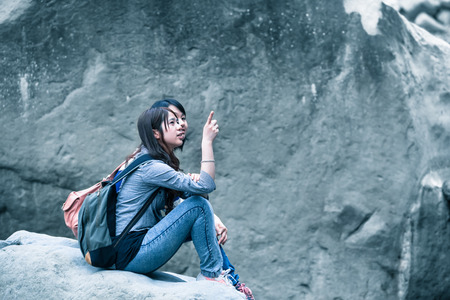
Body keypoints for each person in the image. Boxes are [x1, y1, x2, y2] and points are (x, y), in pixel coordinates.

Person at [112, 101, 255, 300]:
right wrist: (206, 142)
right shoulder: (151, 167)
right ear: (155, 133)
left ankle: (228, 276)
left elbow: (194, 194)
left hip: (135, 248)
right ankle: (212, 275)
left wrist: (213, 218)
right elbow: (205, 187)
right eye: (172, 122)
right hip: (132, 252)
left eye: (181, 119)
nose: (181, 125)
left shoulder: (152, 161)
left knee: (199, 209)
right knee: (198, 207)